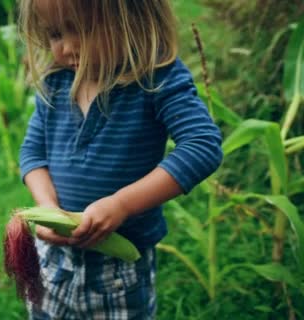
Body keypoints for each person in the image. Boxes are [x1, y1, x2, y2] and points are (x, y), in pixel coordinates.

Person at [17, 0, 223, 319]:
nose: (68, 47)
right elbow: (32, 153)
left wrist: (121, 205)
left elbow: (202, 145)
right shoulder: (55, 83)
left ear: (132, 18)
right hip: (54, 258)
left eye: (83, 30)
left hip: (120, 267)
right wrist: (46, 206)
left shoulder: (156, 79)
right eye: (56, 33)